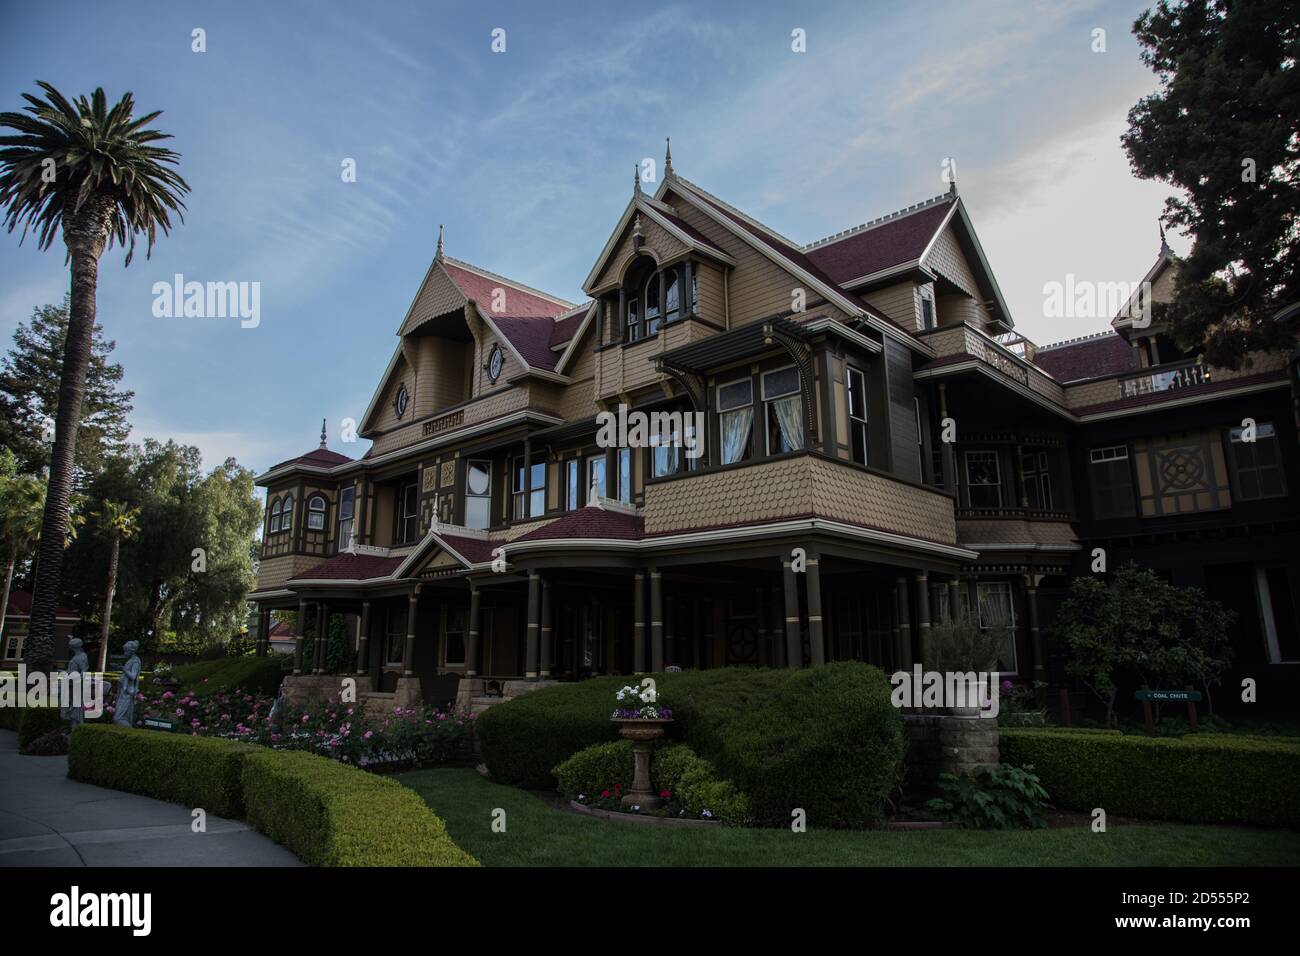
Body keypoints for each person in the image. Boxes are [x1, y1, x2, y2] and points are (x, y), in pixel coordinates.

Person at [113, 641, 142, 727]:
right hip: (124, 691)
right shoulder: (131, 660)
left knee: (118, 718)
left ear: (131, 651)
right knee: (122, 717)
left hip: (128, 692)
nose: (124, 653)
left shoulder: (136, 661)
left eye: (126, 651)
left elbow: (133, 676)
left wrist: (123, 668)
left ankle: (129, 732)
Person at [62, 638, 89, 729]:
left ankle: (75, 729)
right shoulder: (77, 656)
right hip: (71, 684)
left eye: (71, 646)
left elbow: (83, 673)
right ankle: (72, 729)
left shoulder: (82, 657)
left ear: (73, 647)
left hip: (76, 685)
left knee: (75, 708)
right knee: (71, 706)